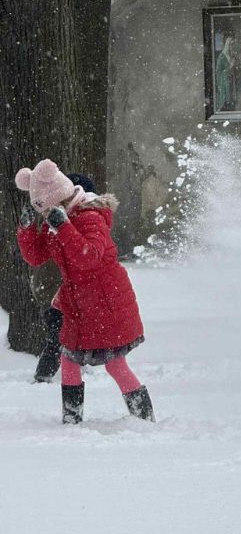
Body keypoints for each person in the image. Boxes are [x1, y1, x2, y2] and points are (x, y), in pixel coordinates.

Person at [15, 159, 154, 424]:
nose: (45, 215)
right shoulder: (57, 222)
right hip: (78, 302)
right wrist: (27, 230)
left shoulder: (90, 217)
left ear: (59, 198)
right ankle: (71, 421)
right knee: (69, 359)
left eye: (47, 208)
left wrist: (64, 227)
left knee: (115, 364)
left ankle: (144, 419)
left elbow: (88, 256)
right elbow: (36, 256)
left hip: (105, 301)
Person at [28, 173, 96, 383]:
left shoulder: (64, 219)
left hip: (58, 288)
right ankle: (43, 376)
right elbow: (41, 255)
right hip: (54, 289)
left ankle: (75, 367)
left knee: (67, 333)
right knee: (58, 335)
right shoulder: (59, 221)